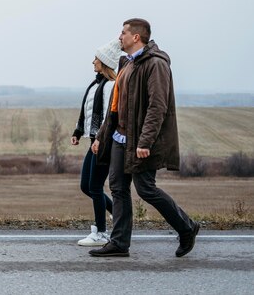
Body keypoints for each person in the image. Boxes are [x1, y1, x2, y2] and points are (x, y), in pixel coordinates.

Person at [89, 18, 200, 258]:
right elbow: (115, 107)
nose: (119, 37)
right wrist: (101, 136)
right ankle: (119, 243)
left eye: (123, 33)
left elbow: (157, 107)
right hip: (120, 138)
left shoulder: (155, 64)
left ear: (136, 37)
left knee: (146, 189)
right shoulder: (127, 64)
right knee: (118, 188)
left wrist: (145, 142)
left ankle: (187, 227)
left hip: (140, 142)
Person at [72, 39, 123, 246]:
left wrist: (101, 139)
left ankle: (101, 233)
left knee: (94, 186)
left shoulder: (111, 86)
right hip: (94, 142)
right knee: (87, 186)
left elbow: (108, 117)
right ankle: (119, 216)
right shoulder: (96, 84)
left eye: (96, 59)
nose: (93, 62)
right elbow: (88, 111)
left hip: (104, 144)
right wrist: (78, 131)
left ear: (104, 62)